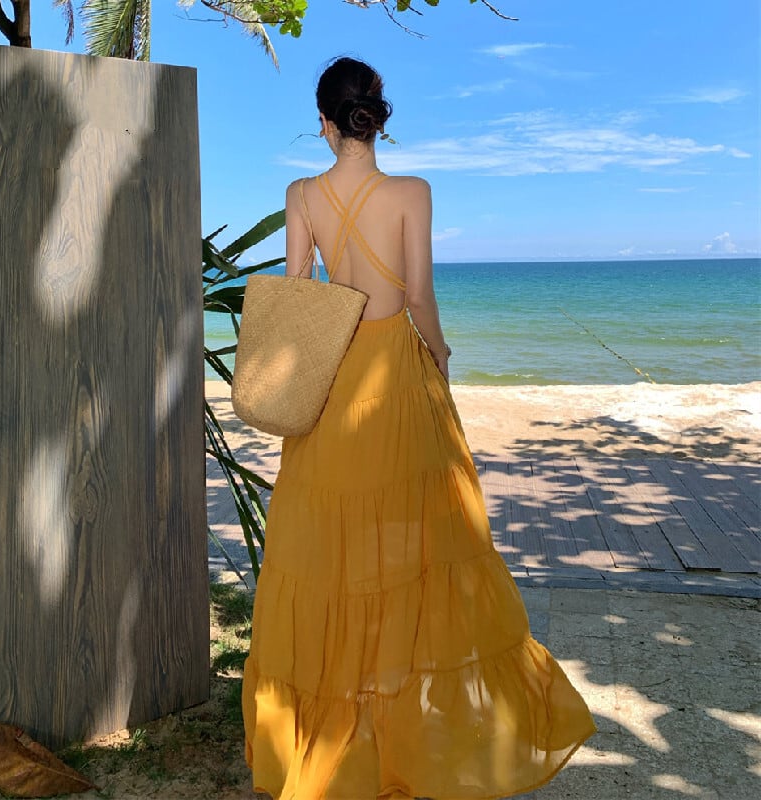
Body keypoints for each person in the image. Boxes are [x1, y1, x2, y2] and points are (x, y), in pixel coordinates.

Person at [241, 56, 596, 800]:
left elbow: (299, 291)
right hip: (396, 374)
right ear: (378, 119)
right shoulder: (413, 192)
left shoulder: (300, 193)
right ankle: (406, 719)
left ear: (325, 123)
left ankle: (336, 731)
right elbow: (420, 296)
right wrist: (441, 353)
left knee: (334, 548)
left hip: (332, 378)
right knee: (417, 540)